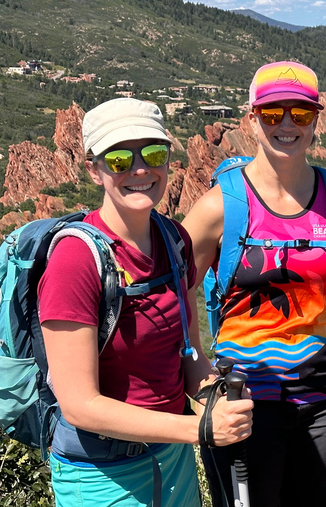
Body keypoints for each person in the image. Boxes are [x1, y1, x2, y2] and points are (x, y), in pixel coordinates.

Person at [39, 97, 253, 507]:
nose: (140, 169)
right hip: (103, 476)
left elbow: (189, 355)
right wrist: (201, 430)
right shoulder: (75, 260)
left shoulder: (175, 241)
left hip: (171, 458)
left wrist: (215, 397)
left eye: (153, 153)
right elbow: (81, 405)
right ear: (93, 169)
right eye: (119, 158)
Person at [182, 60, 326, 507]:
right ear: (252, 119)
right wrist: (200, 375)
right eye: (272, 113)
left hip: (325, 403)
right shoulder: (221, 206)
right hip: (242, 404)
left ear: (316, 119)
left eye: (300, 113)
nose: (286, 124)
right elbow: (176, 290)